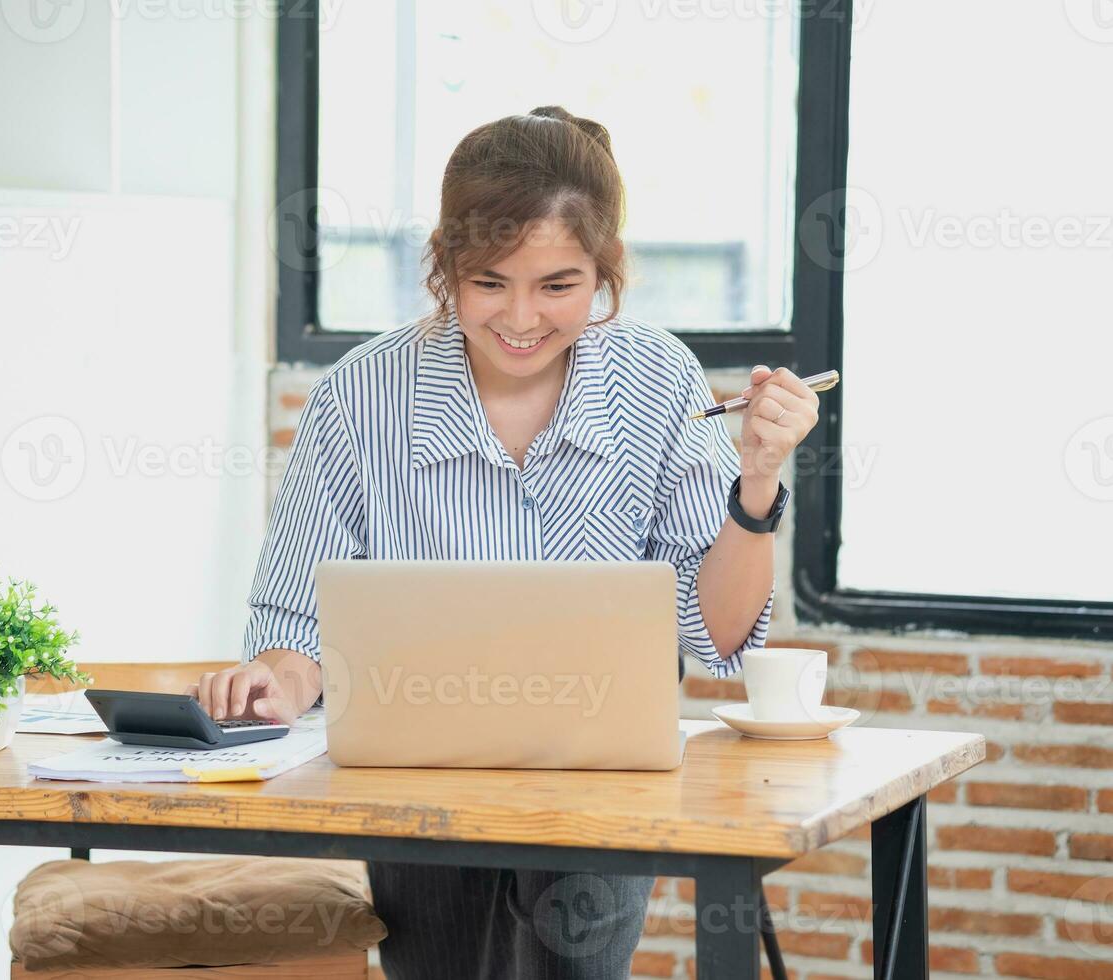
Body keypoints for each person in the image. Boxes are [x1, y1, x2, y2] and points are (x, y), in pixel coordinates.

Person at [189, 105, 821, 978]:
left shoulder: (659, 380)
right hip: (416, 790)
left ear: (604, 271)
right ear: (445, 266)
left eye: (558, 286)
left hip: (599, 789)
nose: (521, 317)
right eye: (490, 282)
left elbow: (713, 638)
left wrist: (755, 486)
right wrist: (275, 682)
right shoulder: (361, 396)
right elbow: (300, 630)